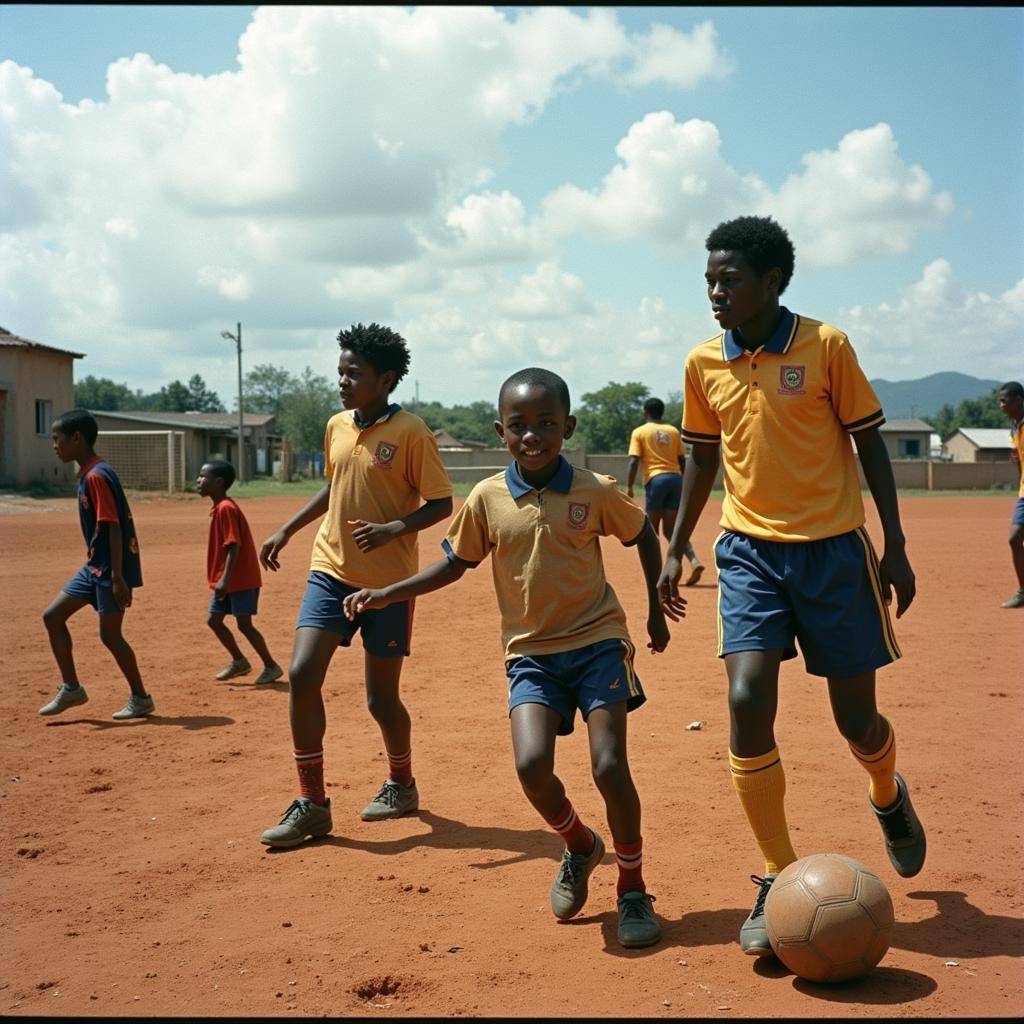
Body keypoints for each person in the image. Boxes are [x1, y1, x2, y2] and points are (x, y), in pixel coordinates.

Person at [657, 215, 924, 958]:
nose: (715, 291)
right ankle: (777, 872)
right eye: (709, 279)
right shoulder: (703, 362)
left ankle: (887, 795)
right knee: (744, 698)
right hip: (748, 553)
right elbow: (702, 460)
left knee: (856, 725)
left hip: (835, 554)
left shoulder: (826, 346)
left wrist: (894, 545)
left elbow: (871, 442)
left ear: (774, 282)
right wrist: (676, 545)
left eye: (730, 279)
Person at [341, 368, 682, 949]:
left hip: (598, 642)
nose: (533, 435)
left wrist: (652, 608)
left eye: (546, 424)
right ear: (501, 431)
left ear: (567, 427)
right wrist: (388, 591)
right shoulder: (487, 499)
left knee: (608, 766)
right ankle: (578, 843)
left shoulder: (594, 490)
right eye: (520, 425)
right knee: (530, 767)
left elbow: (643, 535)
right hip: (530, 655)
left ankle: (632, 887)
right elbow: (454, 563)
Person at [257, 323, 453, 848]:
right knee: (301, 674)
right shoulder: (337, 425)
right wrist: (287, 529)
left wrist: (396, 528)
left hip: (391, 585)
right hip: (330, 570)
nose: (343, 380)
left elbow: (441, 503)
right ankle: (312, 803)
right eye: (341, 371)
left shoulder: (411, 432)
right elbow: (334, 484)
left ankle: (401, 783)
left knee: (380, 701)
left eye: (355, 373)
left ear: (385, 379)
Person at [39, 409, 155, 720]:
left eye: (57, 439)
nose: (54, 445)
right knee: (52, 617)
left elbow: (112, 525)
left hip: (108, 571)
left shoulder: (97, 475)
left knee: (111, 636)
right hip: (94, 568)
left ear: (76, 439)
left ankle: (141, 698)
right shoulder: (91, 472)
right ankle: (72, 688)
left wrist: (118, 577)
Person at [197, 460, 284, 684]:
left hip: (240, 580)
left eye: (202, 476)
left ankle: (271, 666)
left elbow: (233, 544)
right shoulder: (220, 507)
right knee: (214, 621)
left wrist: (224, 579)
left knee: (244, 624)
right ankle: (239, 661)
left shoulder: (226, 508)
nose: (198, 481)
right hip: (227, 580)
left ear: (218, 482)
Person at [626, 396, 705, 585]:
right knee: (671, 530)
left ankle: (659, 574)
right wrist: (685, 484)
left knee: (651, 532)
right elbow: (682, 460)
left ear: (645, 412)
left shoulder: (640, 432)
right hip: (676, 480)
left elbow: (634, 460)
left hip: (656, 481)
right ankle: (693, 560)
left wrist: (629, 486)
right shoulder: (673, 431)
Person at [997, 380, 1024, 608]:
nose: (1001, 405)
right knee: (1014, 538)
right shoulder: (1014, 426)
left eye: (1005, 400)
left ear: (1019, 400)